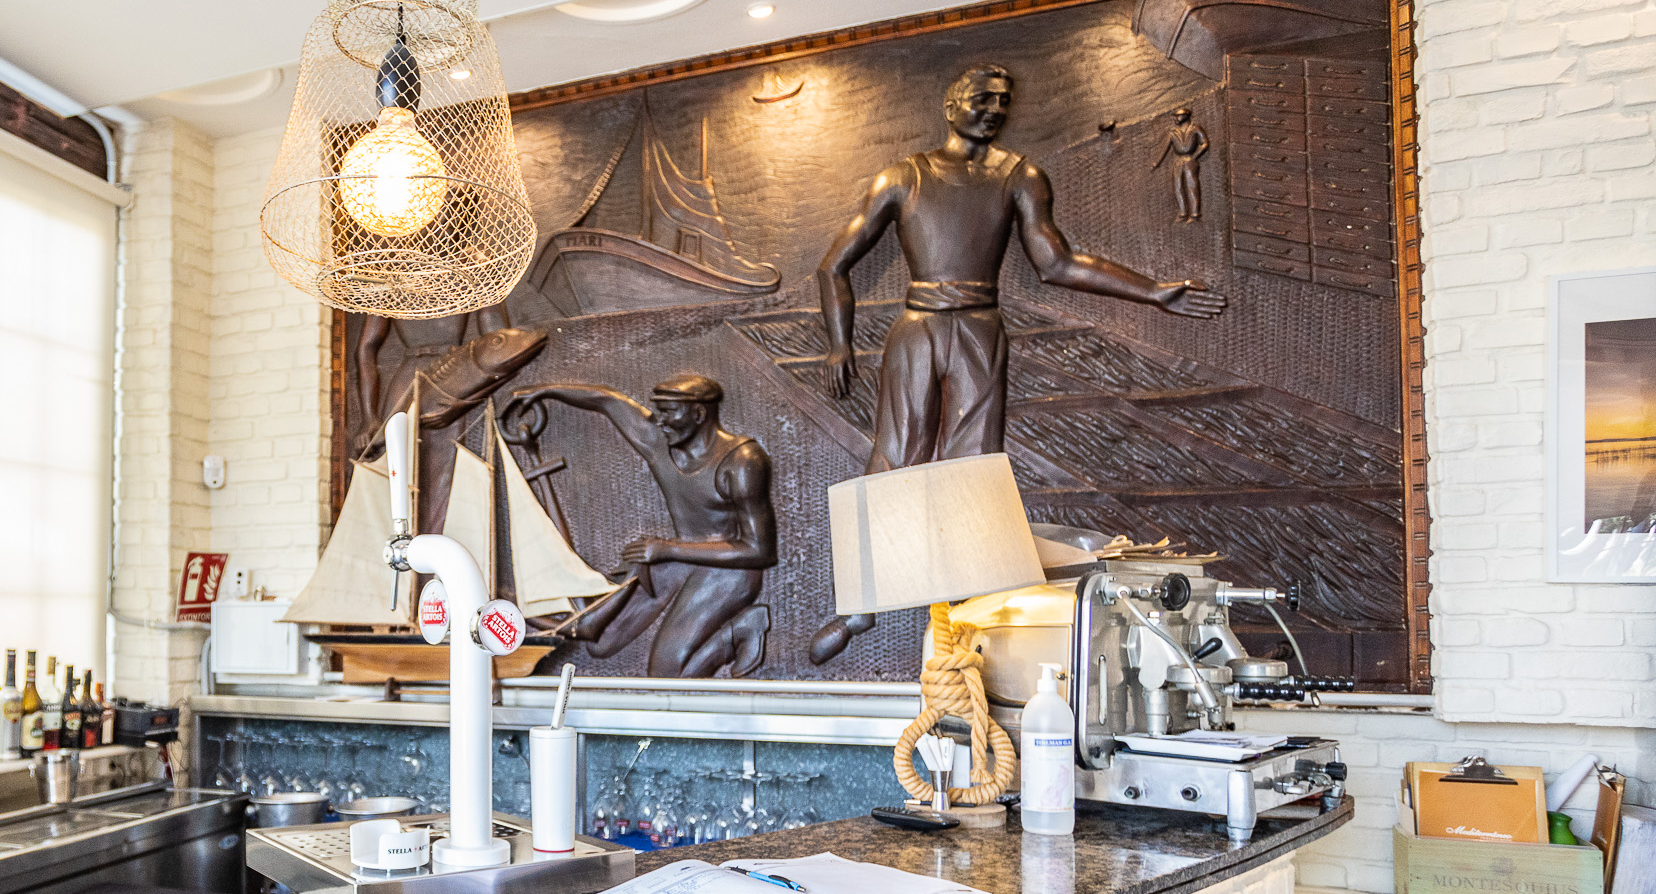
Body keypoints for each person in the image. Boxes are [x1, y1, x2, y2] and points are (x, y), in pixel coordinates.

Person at [816, 64, 1226, 473]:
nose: (995, 110)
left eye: (1003, 102)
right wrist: (839, 345)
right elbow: (833, 267)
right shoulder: (902, 178)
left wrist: (1153, 291)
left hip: (979, 328)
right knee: (896, 457)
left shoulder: (1021, 177)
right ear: (951, 109)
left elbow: (1056, 263)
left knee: (976, 463)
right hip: (916, 330)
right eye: (982, 99)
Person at [505, 373, 775, 677]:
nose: (659, 421)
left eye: (668, 412)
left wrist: (667, 549)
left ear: (699, 414)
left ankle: (738, 631)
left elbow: (759, 550)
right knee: (600, 641)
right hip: (679, 559)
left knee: (666, 674)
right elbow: (606, 399)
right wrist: (545, 389)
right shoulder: (659, 443)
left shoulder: (741, 462)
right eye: (658, 410)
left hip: (730, 571)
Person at [1153, 105, 1209, 221]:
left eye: (1177, 116)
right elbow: (1164, 149)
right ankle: (1183, 213)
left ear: (1185, 116)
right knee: (1178, 187)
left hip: (1190, 160)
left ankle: (1195, 214)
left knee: (1191, 186)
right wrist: (1156, 163)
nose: (1175, 119)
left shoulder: (1195, 128)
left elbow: (1204, 143)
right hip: (1178, 161)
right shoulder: (1173, 132)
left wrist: (1195, 157)